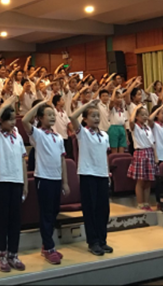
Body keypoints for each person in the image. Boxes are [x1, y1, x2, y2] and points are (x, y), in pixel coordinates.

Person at [22, 101, 69, 265]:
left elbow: (62, 160)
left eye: (53, 115)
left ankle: (46, 245)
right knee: (46, 213)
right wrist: (40, 104)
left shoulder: (58, 137)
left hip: (56, 179)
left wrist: (65, 182)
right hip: (44, 178)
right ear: (40, 118)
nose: (52, 117)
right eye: (48, 115)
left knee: (54, 211)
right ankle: (49, 247)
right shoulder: (38, 135)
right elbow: (24, 121)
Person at [0, 96, 27, 273]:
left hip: (16, 180)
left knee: (15, 220)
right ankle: (1, 255)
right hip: (1, 180)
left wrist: (25, 183)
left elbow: (23, 159)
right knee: (2, 219)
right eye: (9, 120)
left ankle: (13, 254)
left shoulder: (18, 136)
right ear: (1, 121)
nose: (13, 122)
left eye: (14, 119)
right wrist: (4, 106)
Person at [69, 100, 112, 256]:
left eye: (97, 116)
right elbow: (72, 117)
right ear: (85, 119)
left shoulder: (104, 135)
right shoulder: (83, 133)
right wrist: (87, 105)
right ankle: (93, 241)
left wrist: (108, 173)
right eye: (92, 116)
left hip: (102, 175)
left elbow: (105, 156)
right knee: (90, 209)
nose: (96, 119)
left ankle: (102, 240)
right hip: (88, 174)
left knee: (103, 210)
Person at [127, 104, 157, 211]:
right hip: (140, 153)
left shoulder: (147, 127)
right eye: (142, 115)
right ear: (137, 116)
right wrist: (135, 108)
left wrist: (156, 156)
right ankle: (140, 203)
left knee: (148, 180)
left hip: (150, 152)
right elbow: (131, 121)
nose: (145, 117)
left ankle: (146, 203)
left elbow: (153, 143)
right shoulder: (135, 127)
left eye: (146, 114)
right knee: (141, 181)